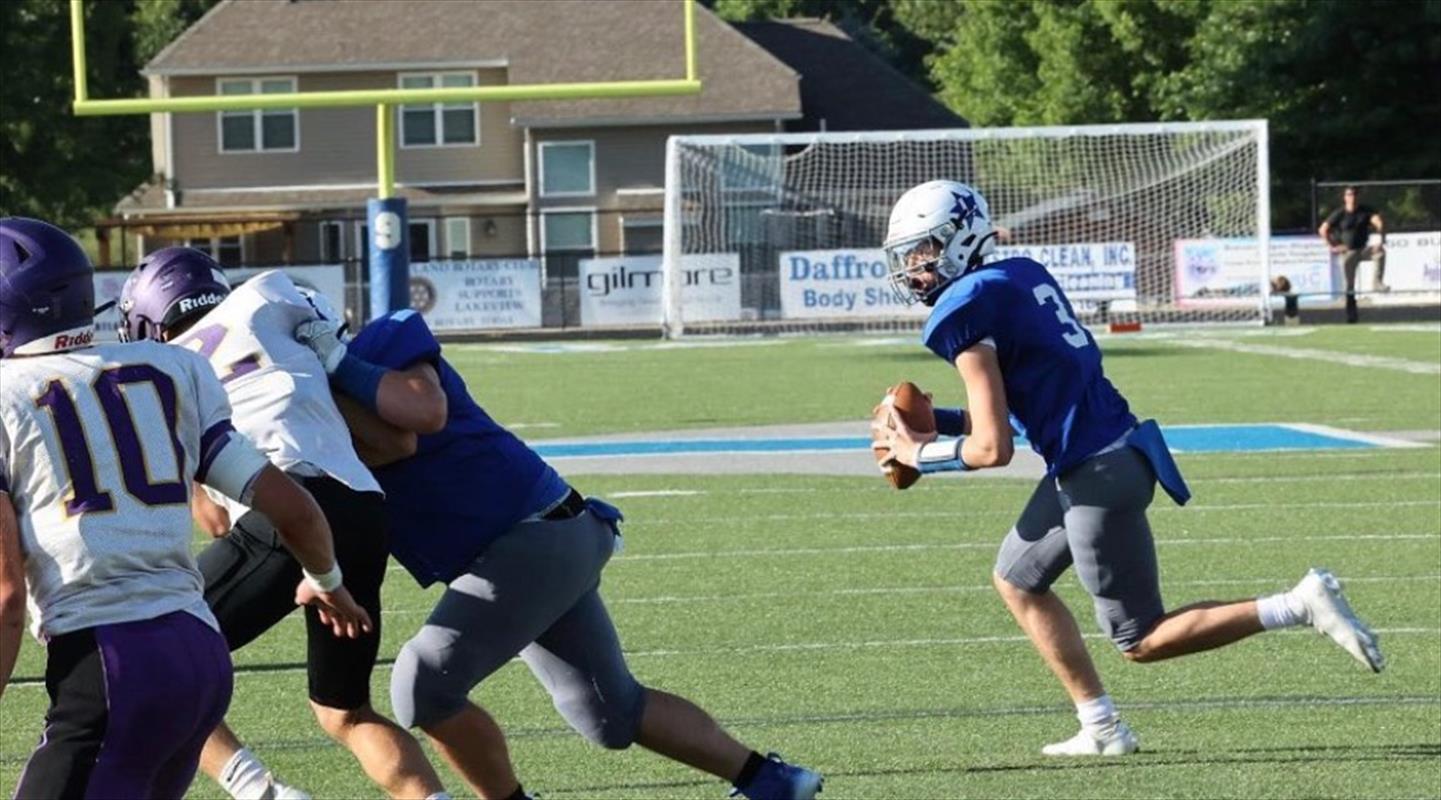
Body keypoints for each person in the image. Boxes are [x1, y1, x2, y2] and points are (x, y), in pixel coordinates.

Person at [870, 181, 1385, 756]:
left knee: (1141, 639)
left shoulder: (962, 308)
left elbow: (993, 448)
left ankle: (1298, 603)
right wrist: (935, 422)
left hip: (1095, 475)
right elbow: (1030, 405)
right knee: (1017, 578)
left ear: (961, 239)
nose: (916, 267)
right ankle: (1102, 727)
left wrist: (918, 453)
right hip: (1113, 454)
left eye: (925, 250)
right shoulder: (1020, 275)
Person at [287, 304, 823, 800]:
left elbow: (415, 422)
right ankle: (773, 781)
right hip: (531, 547)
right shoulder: (296, 410)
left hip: (529, 536)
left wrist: (329, 374)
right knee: (610, 712)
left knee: (423, 686)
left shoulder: (382, 341)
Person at [0, 217, 370, 798]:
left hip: (108, 665)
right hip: (201, 657)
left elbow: (5, 597)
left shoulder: (7, 398)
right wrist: (327, 579)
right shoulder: (170, 370)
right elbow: (293, 507)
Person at [117, 250, 448, 800]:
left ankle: (262, 794)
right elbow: (378, 427)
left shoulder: (162, 372)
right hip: (362, 509)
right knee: (344, 710)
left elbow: (217, 521)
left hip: (282, 510)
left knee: (154, 669)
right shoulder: (272, 294)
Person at [1318, 185, 1388, 322]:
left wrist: (1381, 236)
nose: (1352, 197)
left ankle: (1377, 282)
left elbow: (1378, 222)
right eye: (1349, 195)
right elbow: (1323, 229)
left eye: (1354, 194)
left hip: (1362, 249)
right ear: (1345, 198)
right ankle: (1351, 315)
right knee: (1349, 286)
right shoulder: (1340, 213)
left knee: (1379, 252)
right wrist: (1332, 246)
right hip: (1348, 251)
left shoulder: (1365, 211)